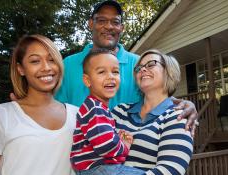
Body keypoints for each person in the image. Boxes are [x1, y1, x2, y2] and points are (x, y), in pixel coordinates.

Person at [55, 0, 199, 135]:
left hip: (127, 152)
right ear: (91, 24)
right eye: (102, 20)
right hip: (81, 152)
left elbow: (156, 95)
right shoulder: (68, 64)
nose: (109, 26)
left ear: (121, 28)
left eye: (115, 22)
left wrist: (183, 103)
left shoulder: (138, 65)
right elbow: (56, 107)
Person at [0, 34, 79, 175]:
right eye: (35, 61)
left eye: (51, 59)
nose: (46, 67)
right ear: (20, 69)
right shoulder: (0, 116)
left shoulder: (79, 115)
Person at [111, 49, 193, 175]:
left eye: (151, 64)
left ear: (168, 72)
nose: (143, 69)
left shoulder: (177, 117)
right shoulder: (119, 111)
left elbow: (169, 171)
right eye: (139, 68)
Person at [70, 49, 144, 175]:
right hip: (97, 168)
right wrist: (124, 146)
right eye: (101, 72)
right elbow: (105, 145)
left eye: (115, 72)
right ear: (87, 81)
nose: (110, 76)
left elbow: (101, 136)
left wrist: (116, 137)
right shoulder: (94, 108)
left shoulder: (97, 107)